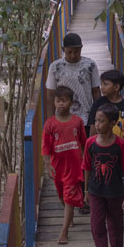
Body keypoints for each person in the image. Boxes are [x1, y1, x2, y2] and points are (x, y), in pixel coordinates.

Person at [46, 31, 101, 213]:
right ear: (63, 50)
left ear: (81, 49)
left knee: (85, 157)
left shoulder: (90, 65)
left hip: (85, 117)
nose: (73, 55)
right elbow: (50, 94)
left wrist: (99, 116)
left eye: (76, 51)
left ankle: (86, 196)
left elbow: (96, 91)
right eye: (69, 52)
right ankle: (72, 195)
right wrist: (50, 119)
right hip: (63, 119)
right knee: (69, 158)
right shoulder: (55, 67)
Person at [82, 103, 124, 247]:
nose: (97, 124)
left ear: (112, 123)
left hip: (115, 192)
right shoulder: (90, 143)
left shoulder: (121, 145)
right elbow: (86, 167)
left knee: (115, 224)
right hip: (96, 192)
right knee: (97, 227)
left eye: (101, 121)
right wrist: (86, 191)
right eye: (96, 121)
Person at [41, 85, 86, 244]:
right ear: (54, 102)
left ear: (71, 102)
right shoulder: (50, 124)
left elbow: (83, 142)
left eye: (64, 100)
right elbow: (45, 146)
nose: (61, 104)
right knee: (61, 195)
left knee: (69, 195)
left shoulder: (77, 122)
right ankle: (70, 215)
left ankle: (64, 231)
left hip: (74, 166)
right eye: (58, 101)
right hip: (57, 166)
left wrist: (85, 162)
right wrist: (47, 164)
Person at [87, 69, 124, 164]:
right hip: (102, 149)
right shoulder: (99, 103)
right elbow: (93, 125)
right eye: (101, 84)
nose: (102, 87)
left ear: (116, 87)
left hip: (123, 150)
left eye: (105, 84)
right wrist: (92, 146)